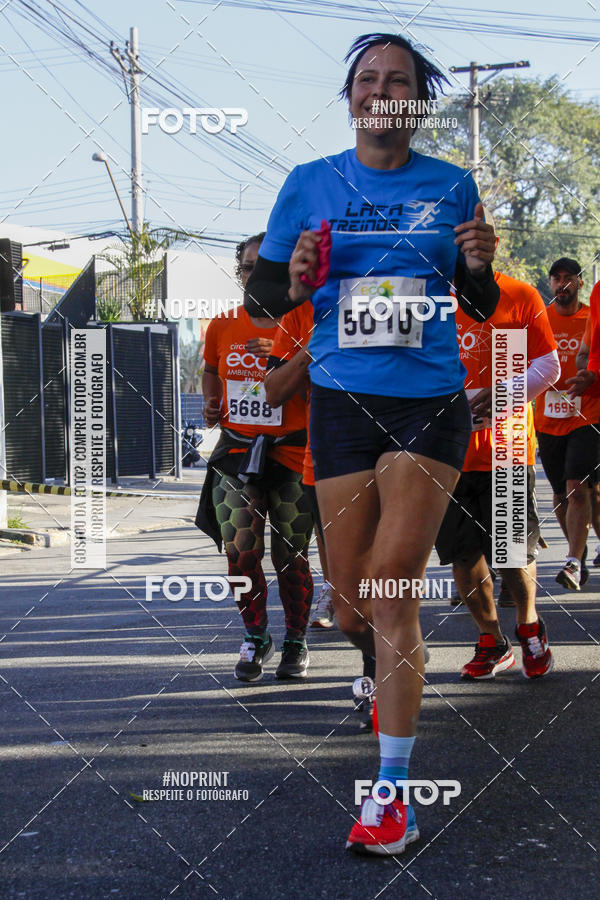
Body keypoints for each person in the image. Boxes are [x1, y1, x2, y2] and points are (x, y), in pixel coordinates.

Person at [245, 33, 498, 855]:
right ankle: (386, 668)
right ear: (349, 96)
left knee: (391, 587)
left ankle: (393, 793)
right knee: (351, 598)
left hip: (427, 401)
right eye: (367, 79)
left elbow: (482, 300)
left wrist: (478, 266)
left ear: (417, 102)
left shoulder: (452, 185)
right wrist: (296, 278)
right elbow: (261, 301)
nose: (381, 91)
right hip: (342, 403)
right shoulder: (308, 184)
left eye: (398, 81)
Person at [196, 233, 314, 682]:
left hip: (292, 451)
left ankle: (296, 641)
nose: (254, 275)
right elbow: (212, 373)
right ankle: (255, 637)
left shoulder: (305, 319)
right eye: (248, 267)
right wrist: (211, 404)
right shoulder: (222, 325)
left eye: (266, 267)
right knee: (240, 552)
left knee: (291, 554)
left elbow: (322, 383)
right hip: (237, 450)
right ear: (239, 273)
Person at [435, 259, 559, 680]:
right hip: (449, 453)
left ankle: (528, 625)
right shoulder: (428, 303)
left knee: (510, 554)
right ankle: (491, 639)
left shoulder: (520, 296)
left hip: (506, 448)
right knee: (463, 554)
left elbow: (549, 366)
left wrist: (503, 392)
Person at [265, 302, 377, 731]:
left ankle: (379, 677)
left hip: (398, 456)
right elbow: (273, 390)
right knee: (350, 610)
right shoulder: (298, 316)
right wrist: (315, 345)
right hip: (327, 463)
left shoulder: (400, 293)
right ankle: (392, 652)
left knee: (388, 573)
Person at [535, 258, 600, 590]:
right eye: (557, 279)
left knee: (578, 487)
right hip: (547, 417)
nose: (563, 284)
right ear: (550, 284)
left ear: (579, 283)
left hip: (587, 411)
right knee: (561, 493)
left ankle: (573, 560)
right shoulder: (539, 319)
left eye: (569, 278)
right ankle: (580, 549)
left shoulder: (592, 316)